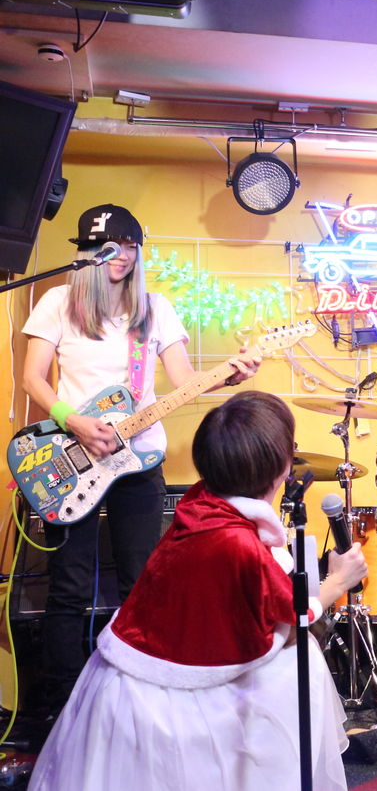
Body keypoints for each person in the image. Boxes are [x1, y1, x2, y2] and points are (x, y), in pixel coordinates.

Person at [30, 391, 368, 791]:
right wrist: (337, 582)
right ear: (282, 467)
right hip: (165, 702)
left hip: (128, 679)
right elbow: (293, 615)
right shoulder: (238, 543)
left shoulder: (200, 502)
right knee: (301, 658)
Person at [20, 204, 261, 722]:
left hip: (139, 455)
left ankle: (135, 698)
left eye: (131, 247)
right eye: (110, 247)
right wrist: (74, 421)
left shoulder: (155, 309)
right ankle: (60, 709)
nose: (122, 256)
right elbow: (32, 378)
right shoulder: (59, 302)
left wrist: (232, 373)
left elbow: (184, 380)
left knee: (142, 581)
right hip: (74, 456)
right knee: (69, 586)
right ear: (87, 252)